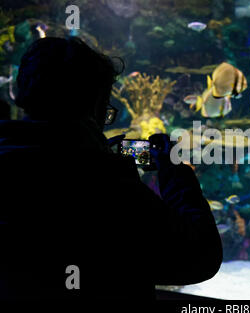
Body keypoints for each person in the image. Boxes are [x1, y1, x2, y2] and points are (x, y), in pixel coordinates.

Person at [0, 37, 222, 299]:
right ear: (93, 107)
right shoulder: (103, 181)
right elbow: (198, 258)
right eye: (104, 112)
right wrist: (176, 171)